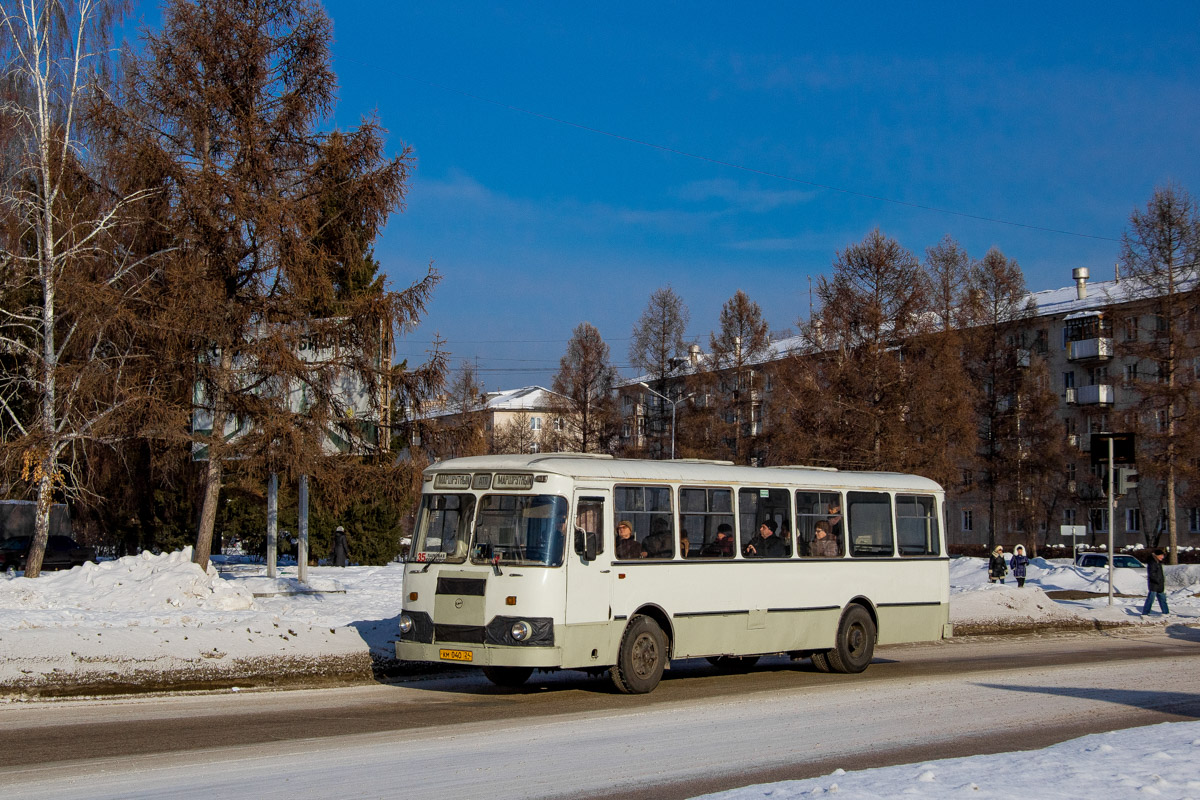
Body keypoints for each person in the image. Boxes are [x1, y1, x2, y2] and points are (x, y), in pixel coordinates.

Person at [1142, 548, 1169, 615]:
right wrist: (1157, 580)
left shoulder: (1158, 562)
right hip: (1154, 585)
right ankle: (1145, 613)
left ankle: (1166, 613)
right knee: (1150, 600)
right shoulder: (1152, 562)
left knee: (1163, 599)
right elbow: (1152, 574)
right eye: (1161, 555)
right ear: (1157, 555)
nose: (1162, 557)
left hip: (1159, 585)